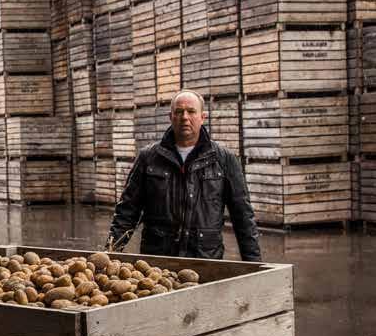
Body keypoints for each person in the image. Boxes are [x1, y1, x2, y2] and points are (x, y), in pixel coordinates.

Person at [107, 90, 261, 261]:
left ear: (203, 117)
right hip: (157, 262)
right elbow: (127, 211)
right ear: (170, 116)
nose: (185, 117)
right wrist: (110, 254)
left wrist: (254, 266)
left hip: (205, 260)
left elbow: (243, 218)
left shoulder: (224, 160)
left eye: (191, 111)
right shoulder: (148, 158)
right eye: (179, 112)